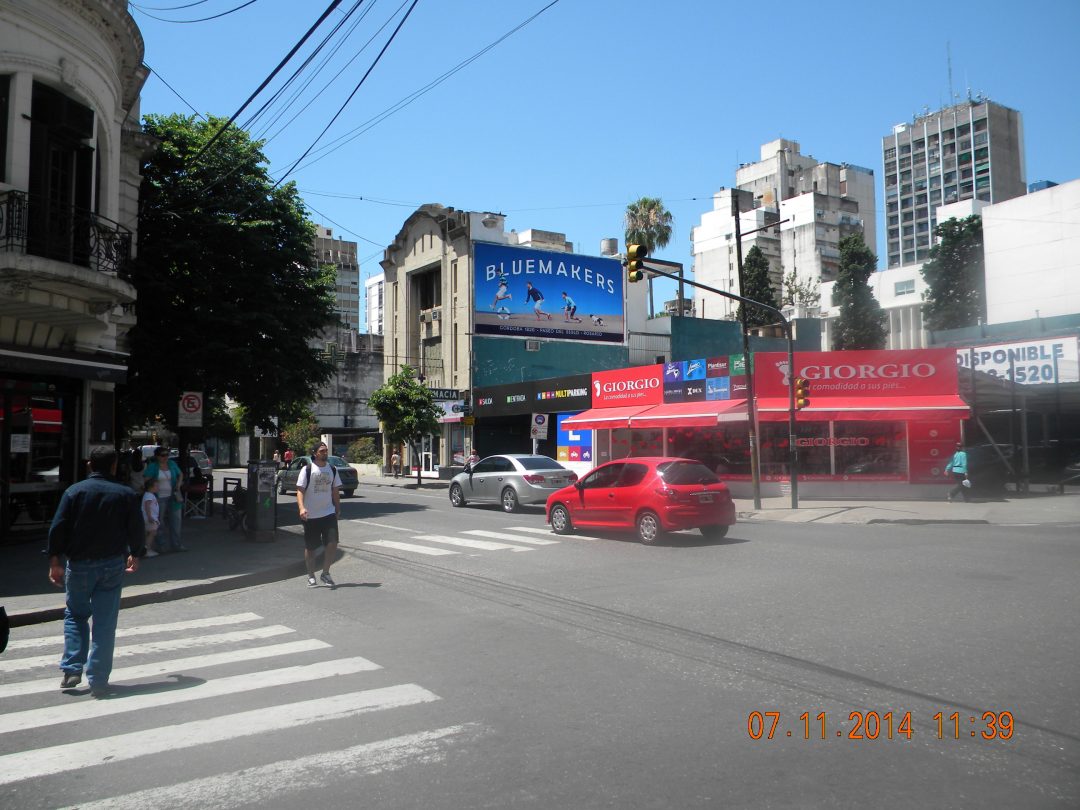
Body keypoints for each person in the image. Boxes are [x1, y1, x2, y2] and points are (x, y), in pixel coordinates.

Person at [48, 447, 144, 697]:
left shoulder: (74, 491)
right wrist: (137, 552)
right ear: (114, 465)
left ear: (89, 464)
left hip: (79, 564)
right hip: (112, 564)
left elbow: (58, 527)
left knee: (75, 615)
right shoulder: (126, 494)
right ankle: (99, 680)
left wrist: (54, 560)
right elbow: (136, 526)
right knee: (104, 623)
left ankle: (71, 669)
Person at [296, 441, 341, 589]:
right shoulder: (307, 470)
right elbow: (300, 491)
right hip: (311, 515)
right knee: (311, 547)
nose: (325, 453)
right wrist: (302, 508)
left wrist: (337, 508)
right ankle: (310, 576)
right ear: (315, 453)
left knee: (333, 543)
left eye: (326, 451)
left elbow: (335, 490)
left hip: (328, 513)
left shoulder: (332, 469)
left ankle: (325, 573)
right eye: (322, 451)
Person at [144, 447, 185, 552]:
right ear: (157, 456)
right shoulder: (153, 466)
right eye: (163, 455)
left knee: (176, 521)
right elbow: (146, 479)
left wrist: (179, 483)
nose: (165, 457)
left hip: (173, 496)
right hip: (159, 498)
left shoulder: (172, 464)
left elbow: (180, 474)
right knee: (159, 522)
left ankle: (177, 545)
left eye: (167, 454)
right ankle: (161, 545)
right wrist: (153, 485)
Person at [142, 477, 160, 557]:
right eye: (156, 486)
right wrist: (150, 517)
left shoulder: (149, 495)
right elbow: (147, 506)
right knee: (152, 533)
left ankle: (145, 549)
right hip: (150, 517)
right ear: (151, 487)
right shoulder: (149, 495)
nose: (158, 487)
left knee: (148, 533)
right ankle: (147, 550)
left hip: (149, 517)